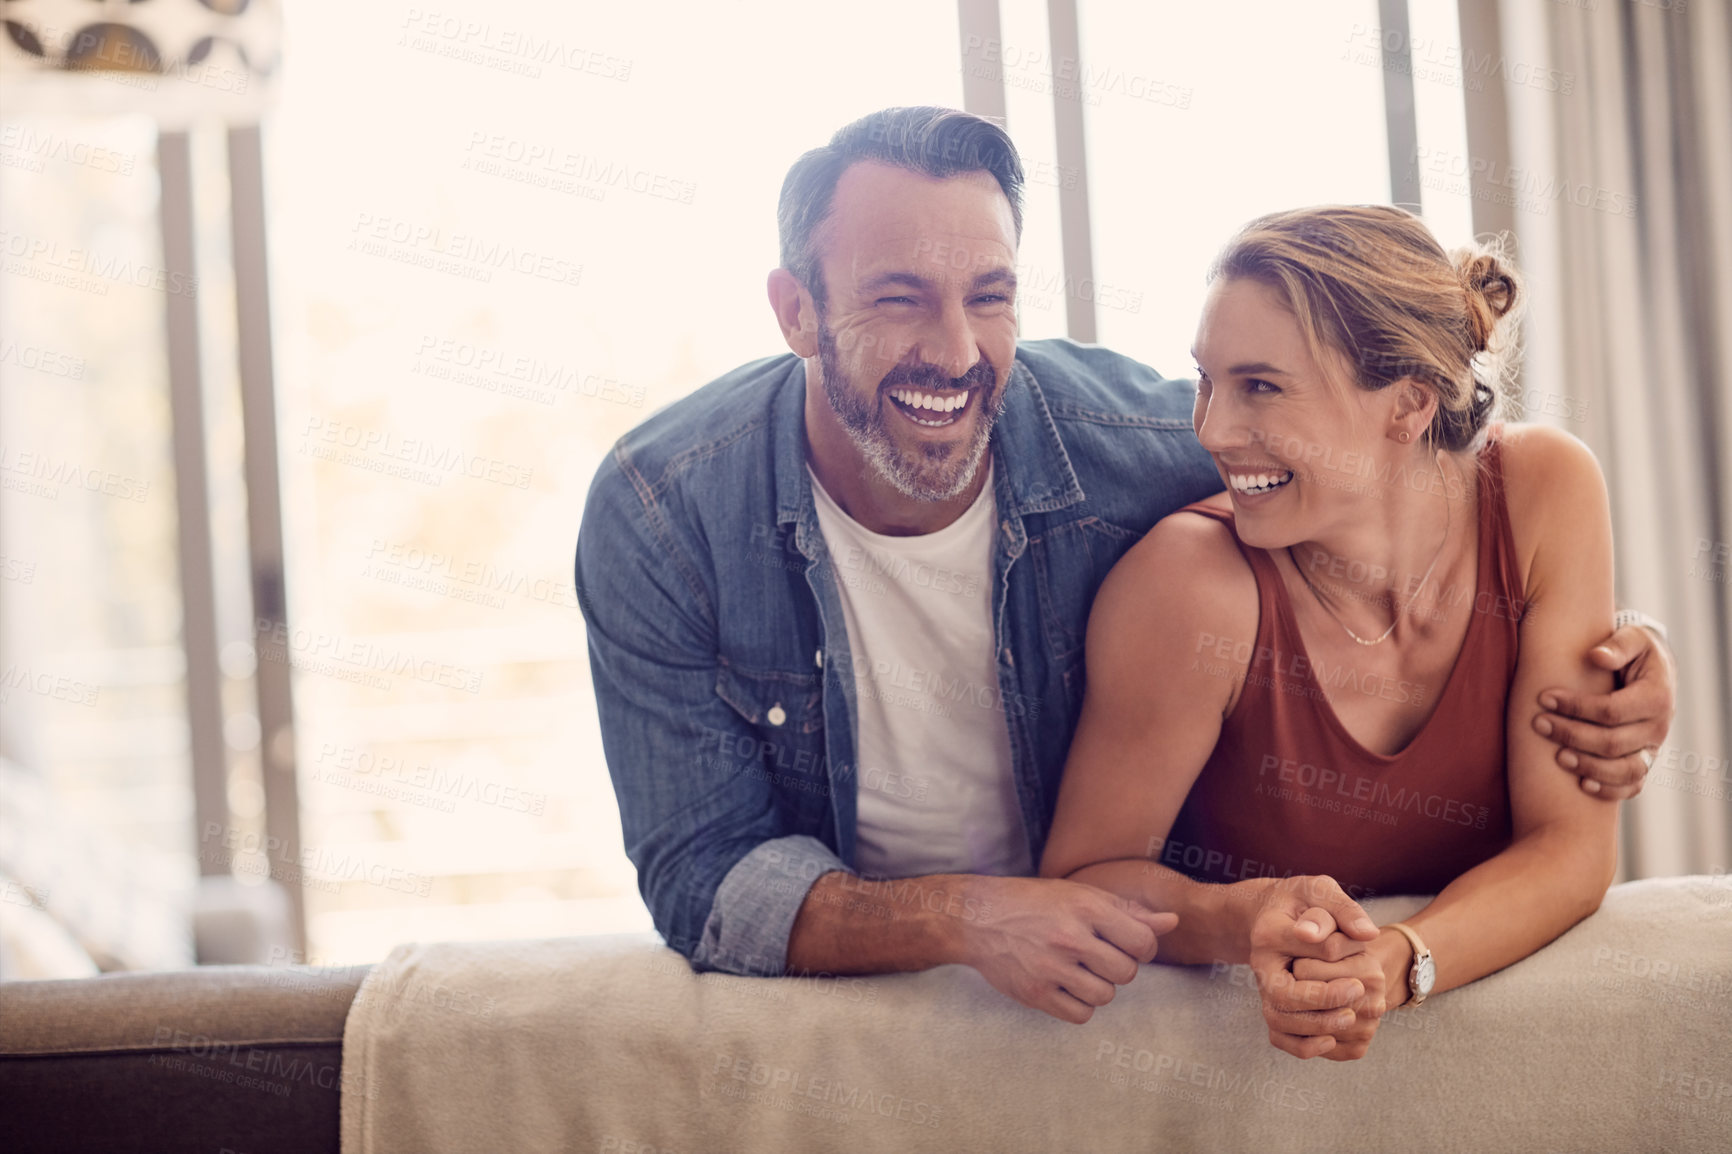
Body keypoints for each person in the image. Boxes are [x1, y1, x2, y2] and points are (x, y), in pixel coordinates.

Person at [574, 108, 1677, 1025]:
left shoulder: (1140, 447)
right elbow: (702, 875)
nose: (956, 352)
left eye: (990, 295)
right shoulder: (664, 513)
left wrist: (1619, 647)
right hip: (876, 981)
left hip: (1093, 982)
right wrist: (970, 912)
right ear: (797, 310)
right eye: (897, 295)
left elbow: (1353, 480)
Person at [1040, 204, 1640, 1057]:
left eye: (1261, 387)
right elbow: (1079, 880)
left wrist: (1402, 963)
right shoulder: (1191, 585)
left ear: (1406, 405)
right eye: (1207, 382)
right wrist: (1233, 918)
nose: (1210, 429)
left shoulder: (1547, 490)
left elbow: (1570, 850)